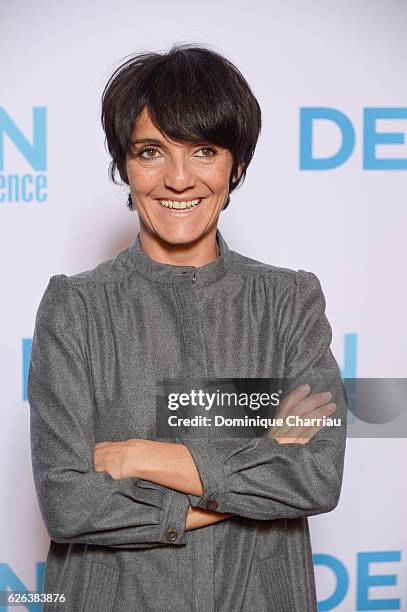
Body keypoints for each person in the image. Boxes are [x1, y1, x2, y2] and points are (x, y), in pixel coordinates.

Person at [28, 42, 347, 611]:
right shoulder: (75, 306)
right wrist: (244, 477)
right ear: (124, 167)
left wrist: (138, 457)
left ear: (236, 165)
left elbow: (314, 474)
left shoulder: (289, 300)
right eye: (152, 151)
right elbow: (68, 501)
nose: (178, 179)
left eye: (203, 150)